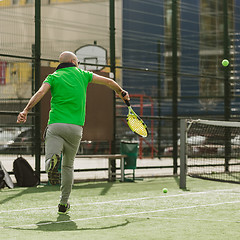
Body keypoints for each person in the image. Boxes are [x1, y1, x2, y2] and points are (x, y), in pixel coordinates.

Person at [17, 51, 130, 214]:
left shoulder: (53, 76)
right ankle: (63, 203)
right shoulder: (83, 74)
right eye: (77, 61)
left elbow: (41, 92)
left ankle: (51, 163)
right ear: (73, 61)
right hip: (76, 128)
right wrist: (122, 92)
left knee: (50, 159)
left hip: (56, 126)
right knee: (68, 166)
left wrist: (26, 110)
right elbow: (109, 82)